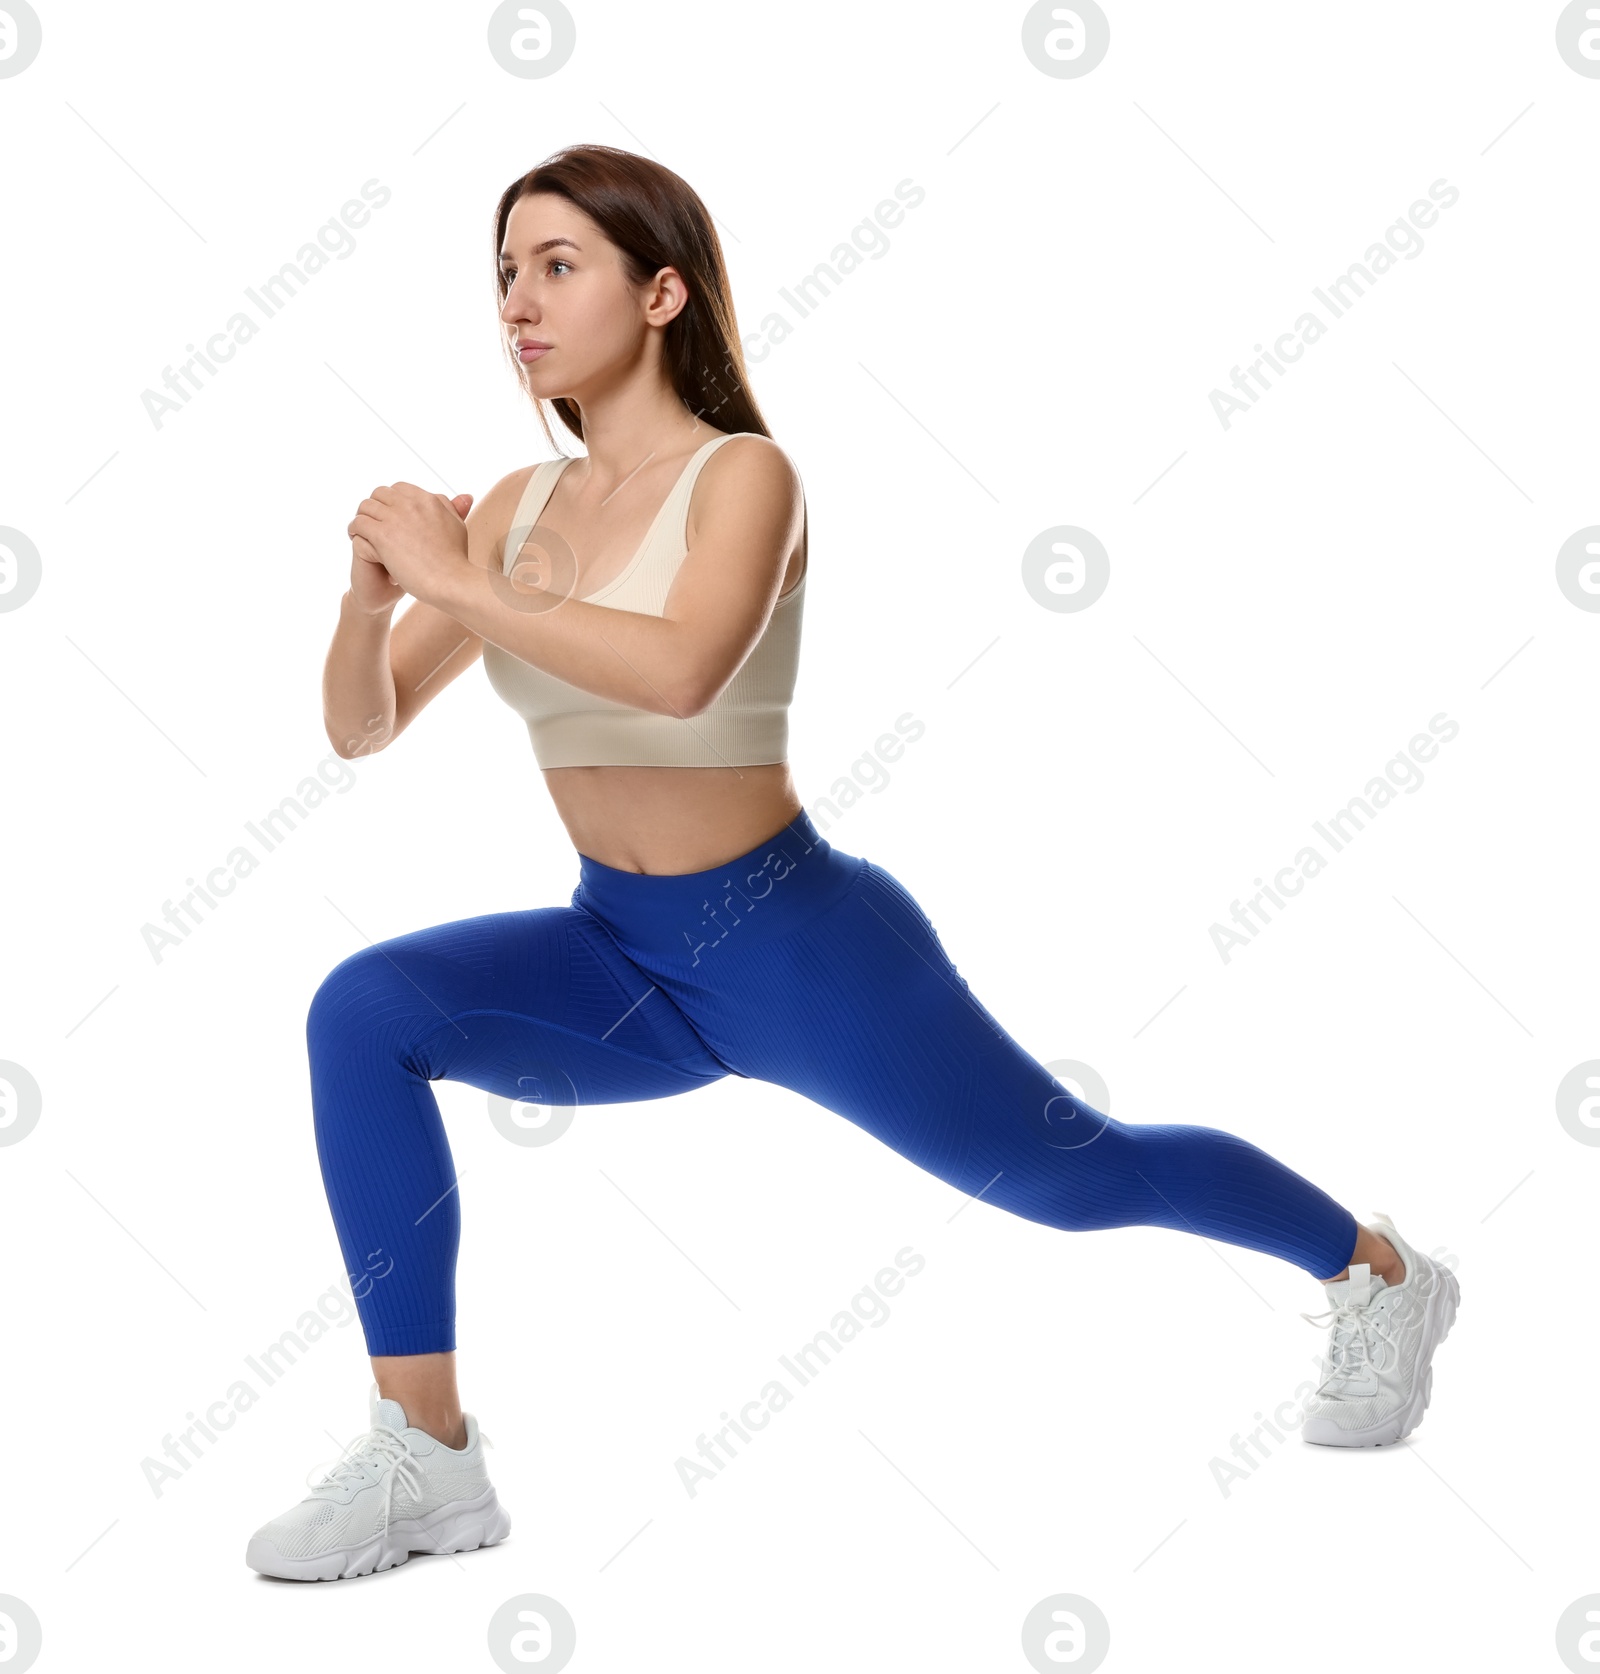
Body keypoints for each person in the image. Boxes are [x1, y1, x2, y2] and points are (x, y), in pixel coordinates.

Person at [244, 145, 1461, 1583]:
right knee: (363, 1011)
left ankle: (1377, 1272)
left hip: (797, 944)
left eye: (557, 263)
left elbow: (684, 673)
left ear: (662, 291)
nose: (518, 298)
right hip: (619, 955)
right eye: (505, 271)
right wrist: (367, 597)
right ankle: (427, 1460)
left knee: (1074, 1179)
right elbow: (361, 724)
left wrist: (455, 581)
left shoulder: (745, 476)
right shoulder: (513, 511)